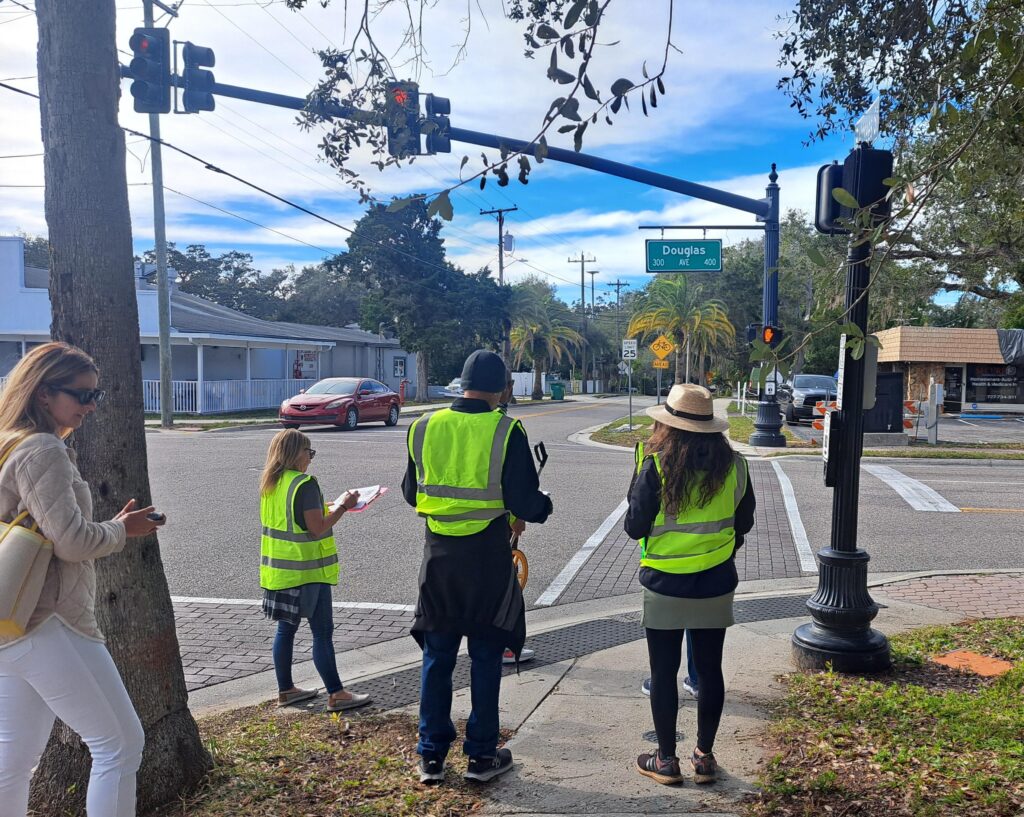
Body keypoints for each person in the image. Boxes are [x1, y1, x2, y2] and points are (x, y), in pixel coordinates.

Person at [0, 342, 164, 817]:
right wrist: (122, 529)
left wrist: (113, 526)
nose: (91, 406)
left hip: (11, 622)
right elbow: (71, 542)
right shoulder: (42, 448)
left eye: (97, 395)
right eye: (82, 395)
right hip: (52, 620)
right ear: (43, 393)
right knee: (120, 745)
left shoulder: (8, 443)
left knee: (12, 760)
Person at [403, 350, 552, 785]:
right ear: (503, 389)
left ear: (462, 384)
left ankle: (430, 757)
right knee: (486, 656)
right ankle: (482, 757)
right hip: (487, 558)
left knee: (437, 656)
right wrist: (542, 507)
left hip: (438, 559)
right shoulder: (506, 430)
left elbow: (412, 492)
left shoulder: (423, 426)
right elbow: (525, 501)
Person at [625, 385, 755, 786]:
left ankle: (665, 761)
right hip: (716, 580)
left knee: (663, 672)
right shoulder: (736, 467)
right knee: (710, 670)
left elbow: (635, 527)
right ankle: (704, 757)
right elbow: (744, 522)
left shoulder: (656, 465)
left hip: (664, 582)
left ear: (667, 426)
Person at [259, 428, 371, 712]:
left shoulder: (272, 483)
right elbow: (317, 527)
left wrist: (329, 505)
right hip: (308, 572)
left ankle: (286, 690)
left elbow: (295, 517)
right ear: (295, 454)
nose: (310, 457)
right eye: (308, 451)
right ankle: (337, 693)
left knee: (286, 630)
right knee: (322, 632)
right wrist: (344, 507)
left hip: (280, 571)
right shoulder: (305, 484)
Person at [497, 375, 534, 665]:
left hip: (442, 537)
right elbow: (519, 488)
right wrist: (518, 516)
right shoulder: (505, 428)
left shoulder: (432, 424)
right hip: (494, 531)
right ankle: (506, 647)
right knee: (505, 591)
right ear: (505, 388)